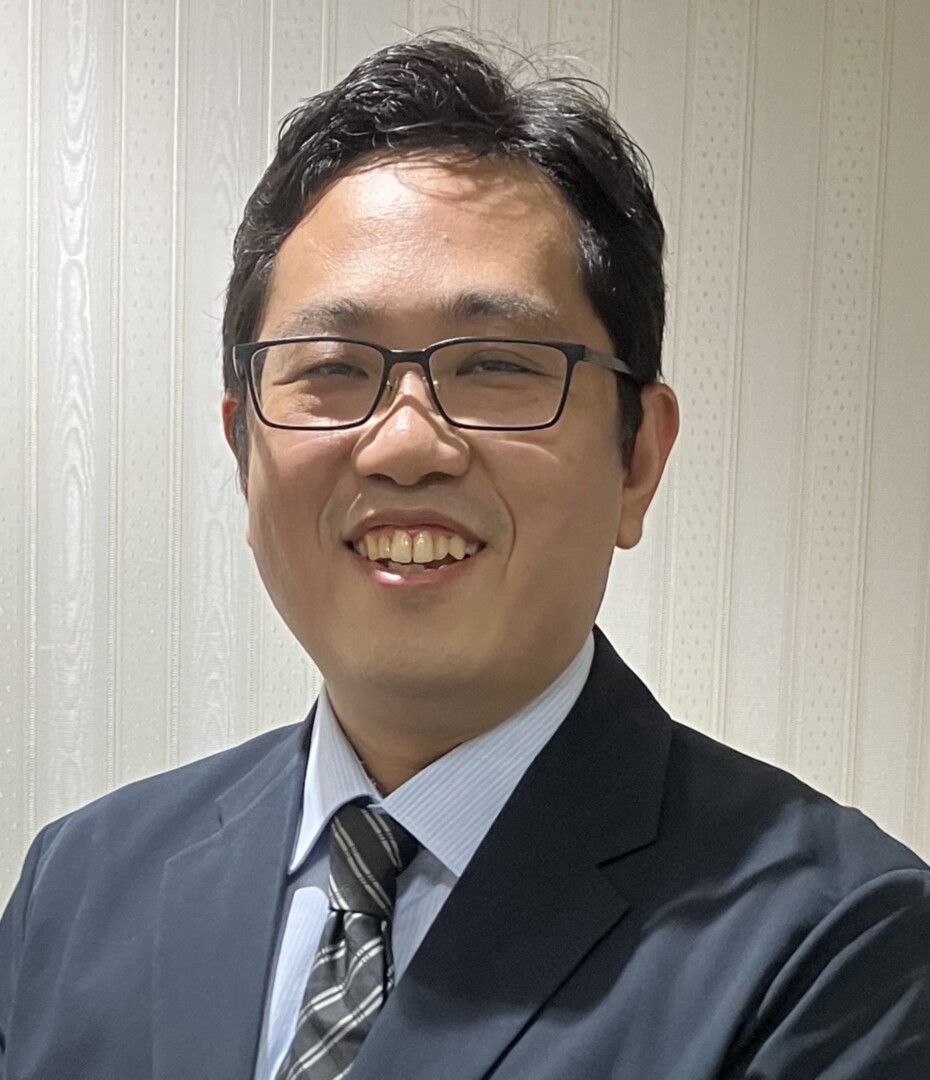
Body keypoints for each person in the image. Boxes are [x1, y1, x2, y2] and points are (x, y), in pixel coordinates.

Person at [1, 34, 928, 1080]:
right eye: (332, 367)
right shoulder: (77, 889)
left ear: (638, 460)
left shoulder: (836, 946)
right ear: (243, 451)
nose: (404, 444)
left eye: (495, 365)